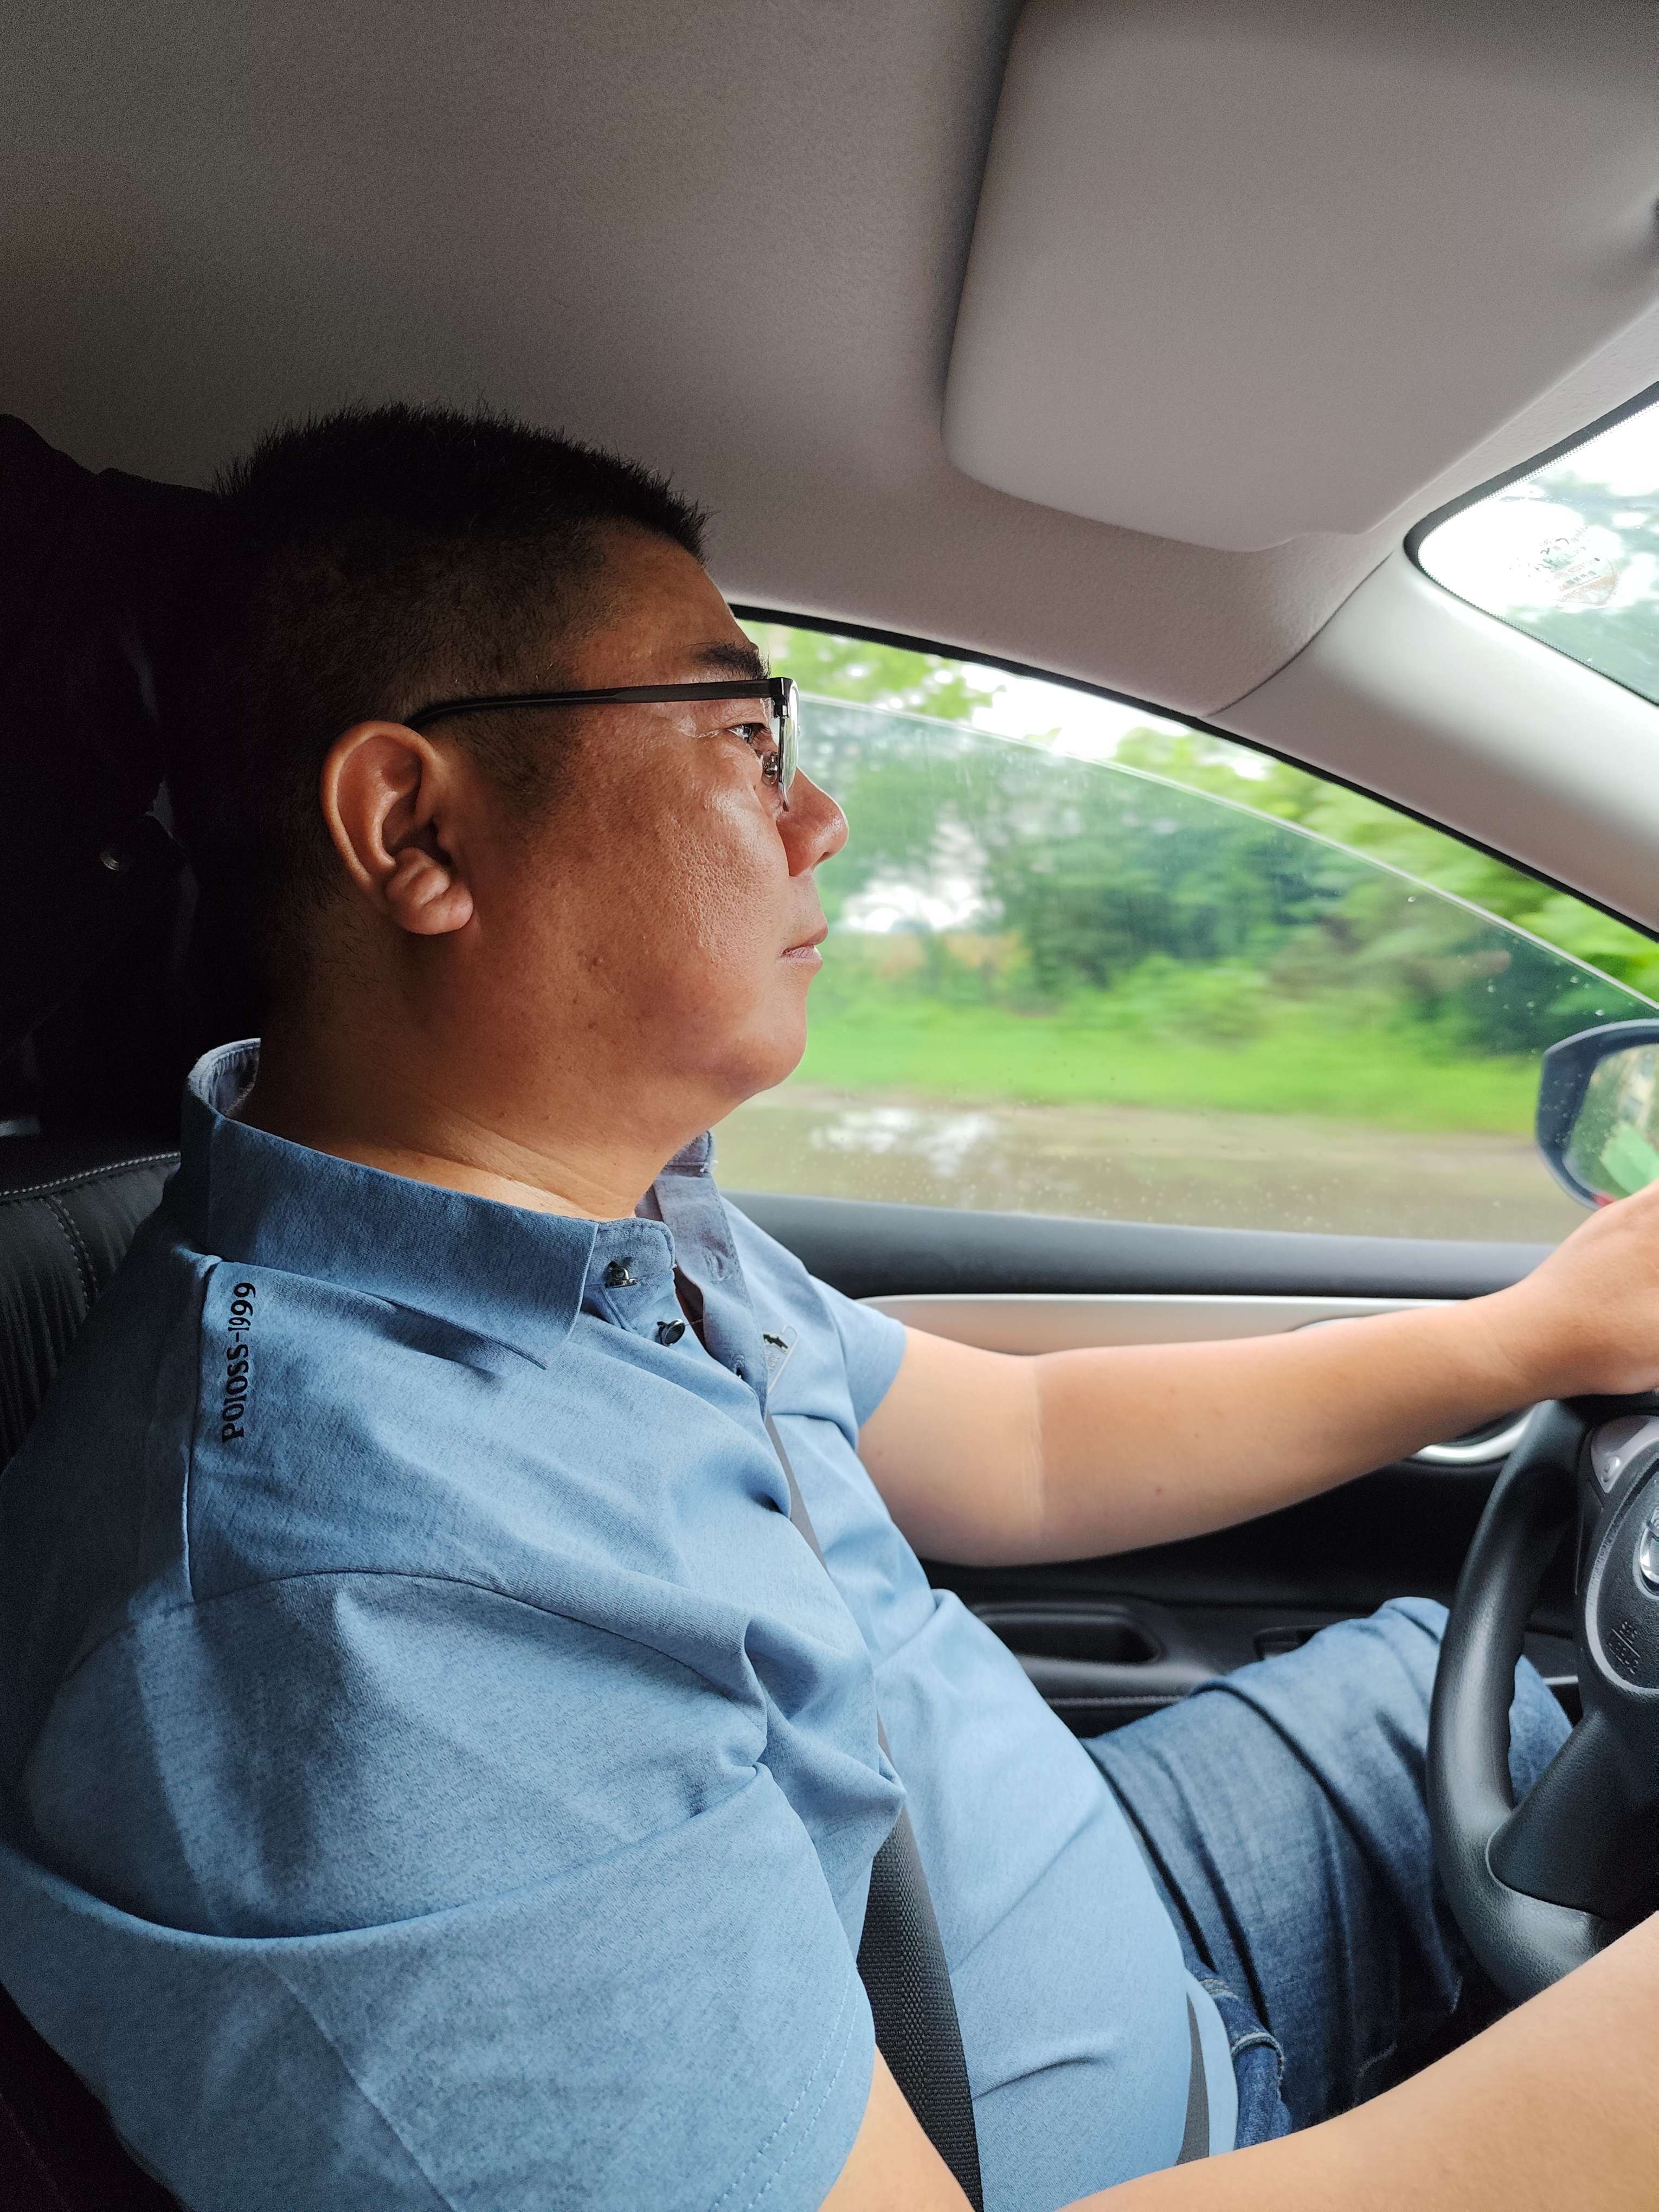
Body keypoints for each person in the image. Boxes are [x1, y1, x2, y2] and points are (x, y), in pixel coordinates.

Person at [0, 403, 1656, 2212]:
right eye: (738, 733)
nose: (817, 815)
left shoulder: (587, 1226)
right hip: (1121, 2141)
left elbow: (1020, 1444)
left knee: (1491, 1699)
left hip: (1096, 1897)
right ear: (416, 827)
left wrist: (1529, 1336)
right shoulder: (355, 1637)